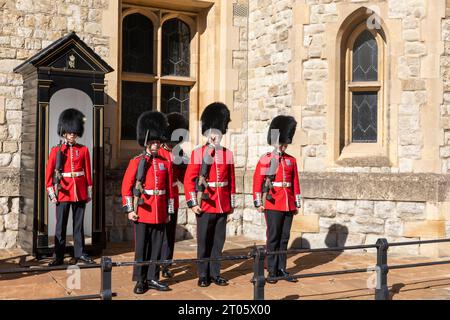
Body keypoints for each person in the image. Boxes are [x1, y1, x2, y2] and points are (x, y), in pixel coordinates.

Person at [121, 111, 175, 294]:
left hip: (159, 211)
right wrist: (130, 209)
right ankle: (140, 279)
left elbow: (168, 190)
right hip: (143, 210)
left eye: (157, 142)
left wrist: (169, 211)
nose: (155, 145)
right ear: (146, 141)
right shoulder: (137, 162)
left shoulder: (164, 162)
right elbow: (126, 188)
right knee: (142, 247)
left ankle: (153, 277)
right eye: (152, 142)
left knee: (157, 247)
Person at [184, 102, 236, 288]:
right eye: (213, 132)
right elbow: (189, 180)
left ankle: (215, 273)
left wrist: (230, 204)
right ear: (207, 133)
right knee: (204, 242)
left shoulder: (227, 154)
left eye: (219, 132)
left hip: (221, 203)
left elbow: (231, 182)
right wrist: (192, 203)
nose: (216, 135)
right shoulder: (198, 153)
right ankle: (203, 274)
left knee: (218, 242)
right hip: (205, 204)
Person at [252, 115, 302, 283]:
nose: (283, 146)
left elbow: (295, 183)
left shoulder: (291, 160)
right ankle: (272, 270)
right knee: (273, 237)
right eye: (281, 143)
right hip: (273, 202)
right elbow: (257, 182)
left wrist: (296, 202)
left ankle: (281, 268)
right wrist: (258, 202)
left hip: (288, 202)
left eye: (285, 143)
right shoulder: (266, 159)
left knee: (284, 238)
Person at [45, 108, 94, 266]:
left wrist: (88, 191)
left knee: (78, 225)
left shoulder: (83, 150)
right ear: (64, 132)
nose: (72, 135)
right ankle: (58, 255)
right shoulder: (56, 151)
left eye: (75, 132)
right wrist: (52, 193)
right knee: (61, 225)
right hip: (63, 191)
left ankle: (80, 253)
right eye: (69, 132)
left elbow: (87, 173)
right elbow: (49, 174)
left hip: (79, 191)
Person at [159, 112, 189, 279]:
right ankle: (154, 262)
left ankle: (166, 263)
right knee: (158, 233)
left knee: (169, 234)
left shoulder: (179, 152)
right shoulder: (158, 151)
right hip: (158, 199)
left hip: (173, 198)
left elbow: (185, 177)